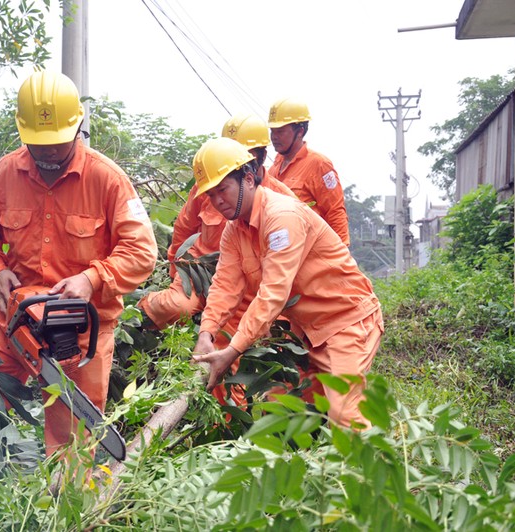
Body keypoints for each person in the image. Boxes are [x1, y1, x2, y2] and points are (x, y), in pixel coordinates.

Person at [0, 70, 157, 455]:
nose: (49, 153)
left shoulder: (107, 179)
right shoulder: (7, 172)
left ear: (77, 128)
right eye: (40, 145)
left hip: (81, 328)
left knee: (72, 442)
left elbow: (141, 252)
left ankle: (67, 506)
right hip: (16, 312)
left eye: (57, 143)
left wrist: (92, 278)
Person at [191, 137, 383, 429]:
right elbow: (224, 285)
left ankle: (383, 470)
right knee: (282, 416)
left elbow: (273, 294)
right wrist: (207, 331)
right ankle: (311, 472)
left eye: (222, 190)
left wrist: (234, 349)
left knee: (346, 415)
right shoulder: (234, 231)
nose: (218, 201)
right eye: (211, 195)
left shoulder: (282, 218)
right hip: (306, 334)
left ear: (248, 178)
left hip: (346, 323)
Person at [137, 113, 294, 406]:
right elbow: (184, 229)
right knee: (176, 304)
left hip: (248, 288)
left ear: (259, 159)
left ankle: (231, 417)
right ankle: (132, 323)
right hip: (199, 273)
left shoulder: (280, 202)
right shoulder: (207, 187)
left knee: (236, 351)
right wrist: (177, 271)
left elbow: (278, 281)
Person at [267, 97, 351, 246]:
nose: (274, 137)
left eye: (280, 131)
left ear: (299, 131)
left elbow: (335, 212)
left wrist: (340, 255)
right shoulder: (273, 170)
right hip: (283, 254)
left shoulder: (319, 165)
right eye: (272, 131)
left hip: (313, 254)